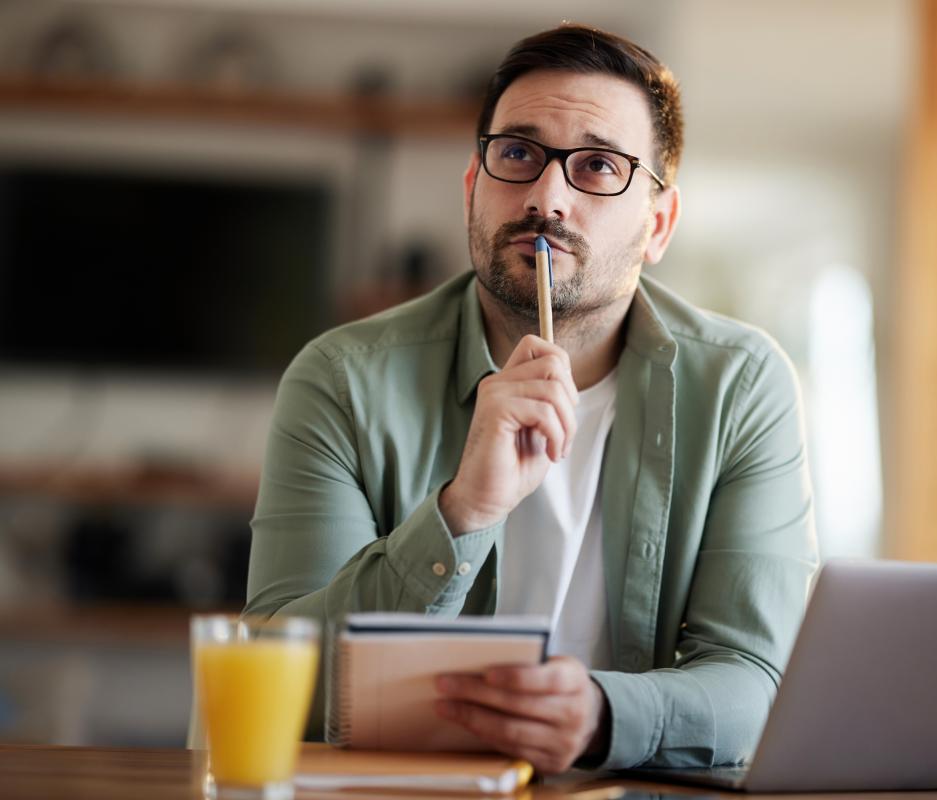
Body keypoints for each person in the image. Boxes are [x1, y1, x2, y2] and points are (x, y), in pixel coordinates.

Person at [245, 23, 819, 774]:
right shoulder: (342, 377)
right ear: (472, 190)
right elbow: (278, 679)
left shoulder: (742, 386)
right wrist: (461, 515)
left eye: (599, 166)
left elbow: (758, 687)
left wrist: (602, 716)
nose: (548, 197)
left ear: (659, 224)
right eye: (517, 154)